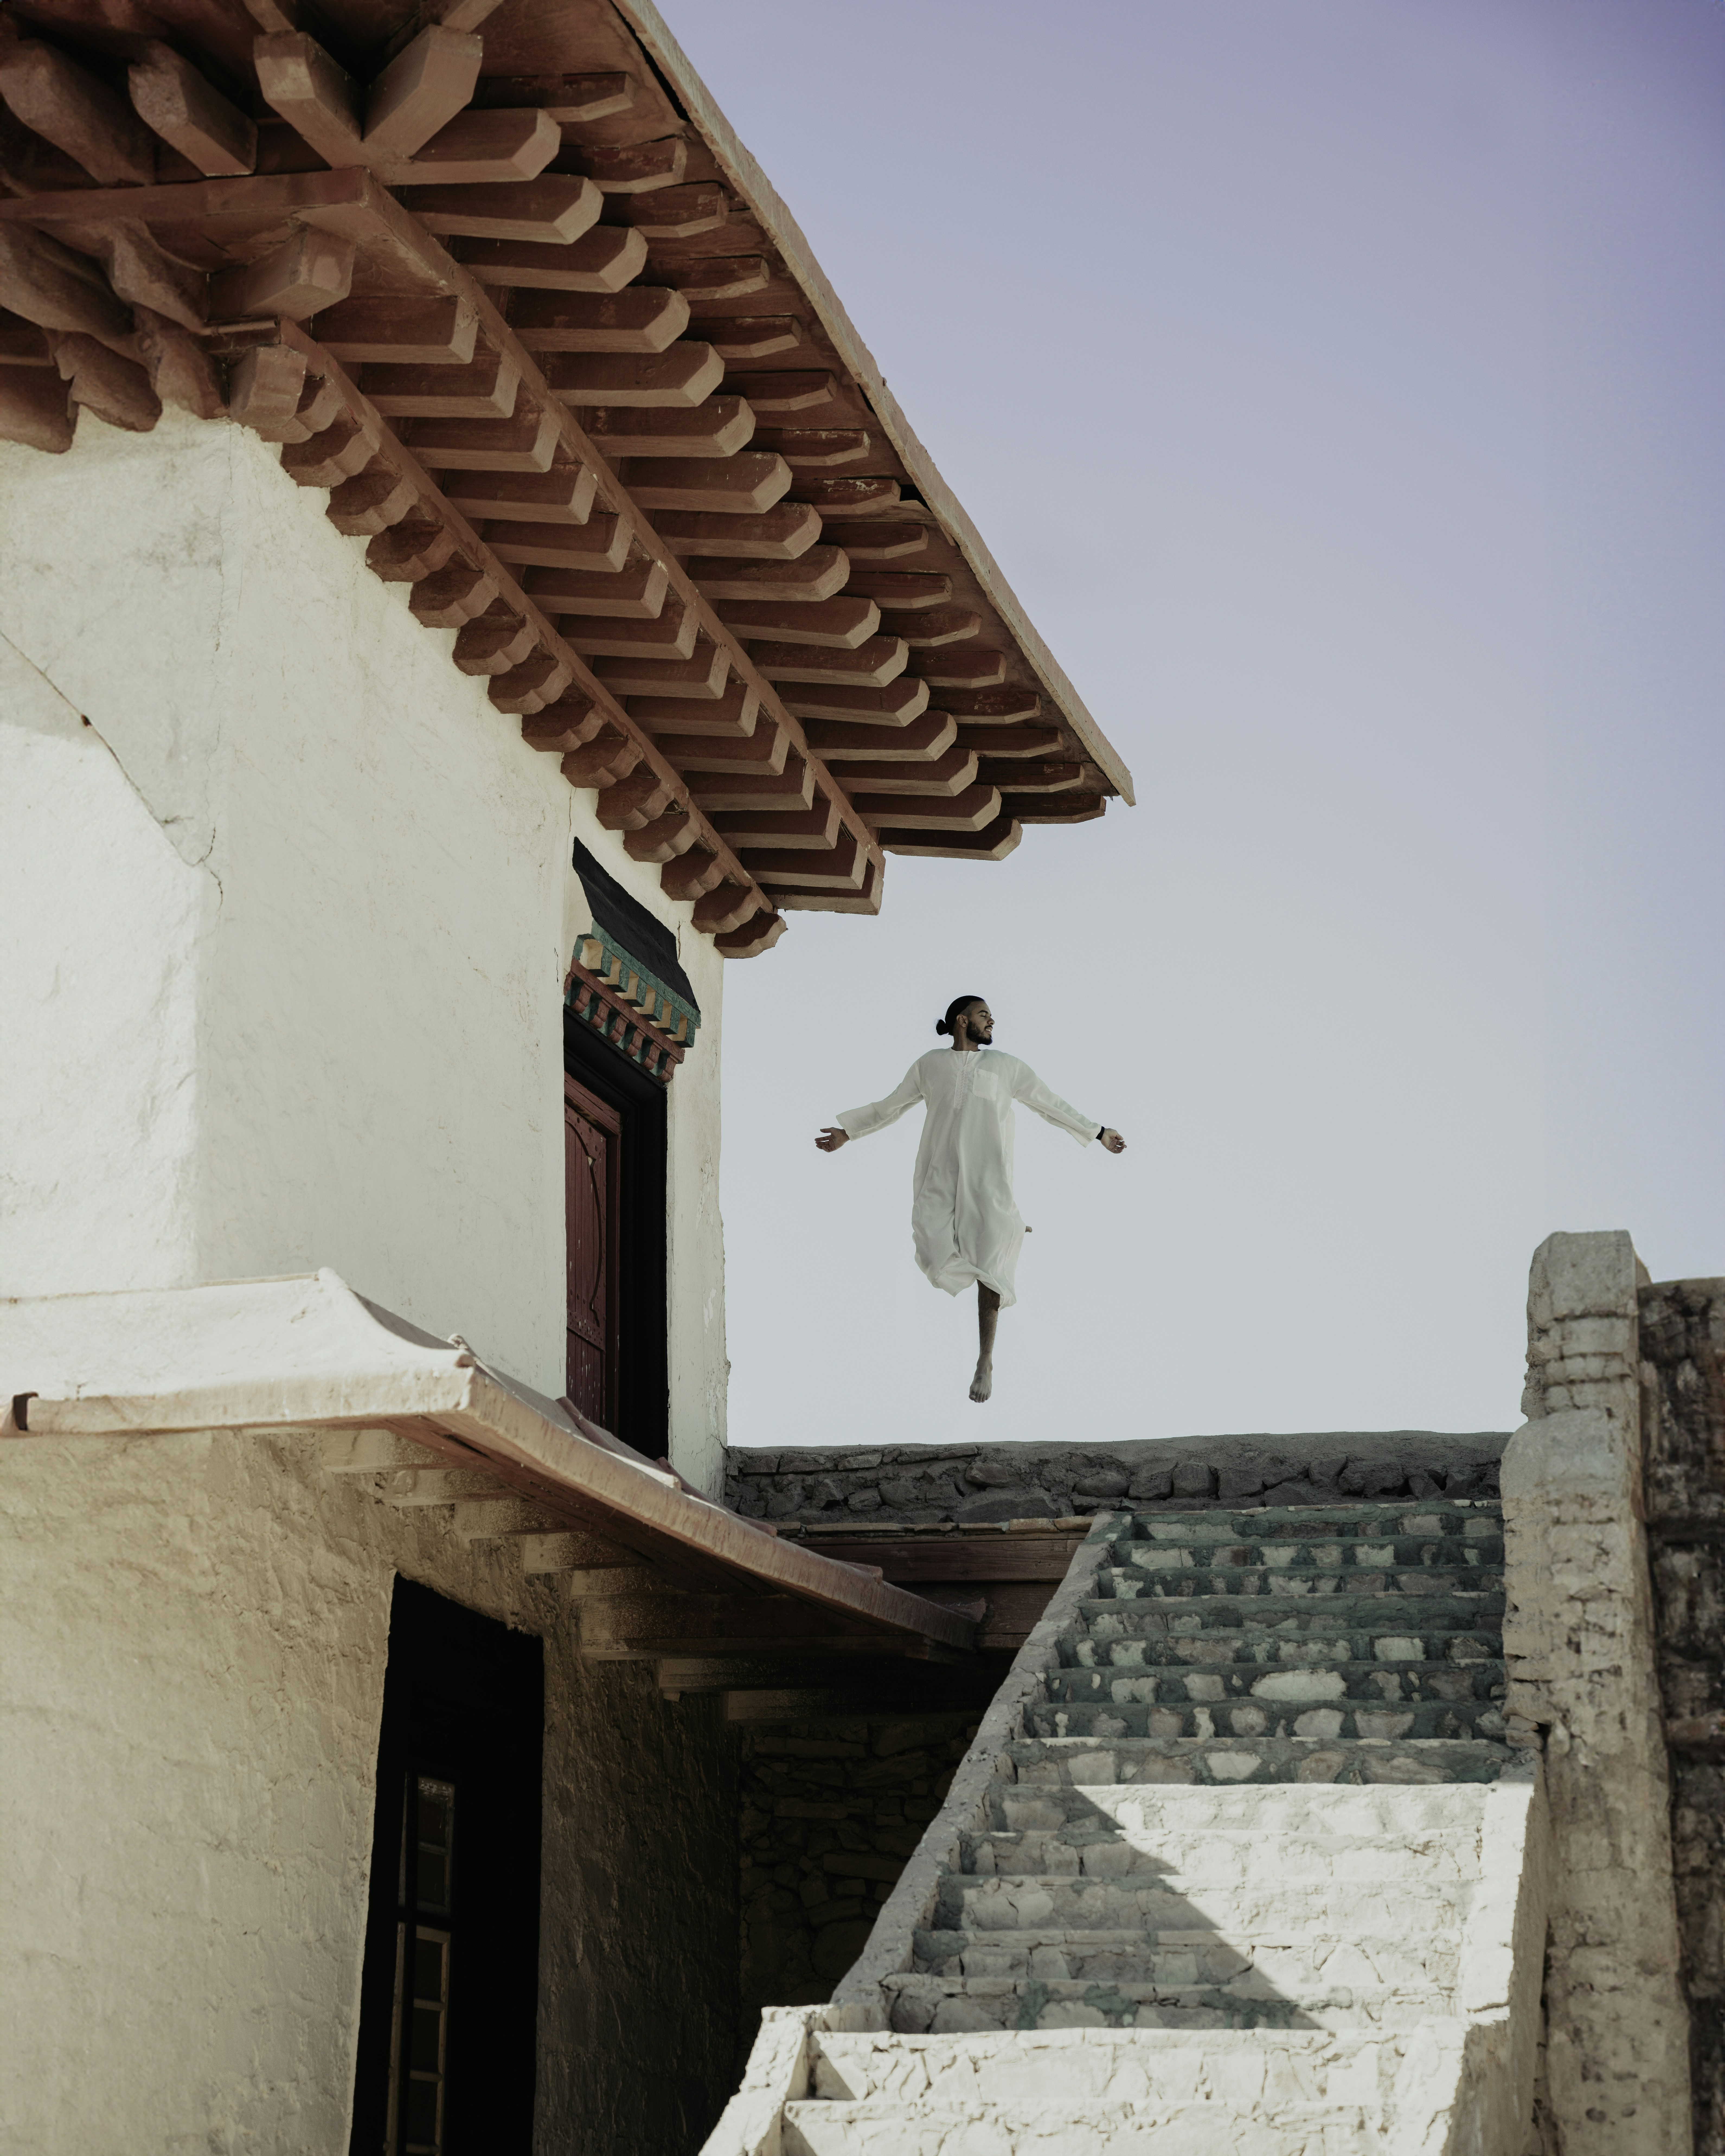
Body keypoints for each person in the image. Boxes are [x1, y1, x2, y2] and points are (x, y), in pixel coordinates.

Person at [816, 996, 1126, 1401]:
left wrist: (1098, 1131)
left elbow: (1049, 1103)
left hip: (988, 1176)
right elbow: (892, 1106)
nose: (992, 1020)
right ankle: (1004, 1228)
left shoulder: (1005, 1066)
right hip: (938, 1171)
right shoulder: (929, 1064)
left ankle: (985, 1359)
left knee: (991, 1258)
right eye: (984, 1015)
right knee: (929, 1246)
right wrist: (848, 1133)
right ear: (962, 1021)